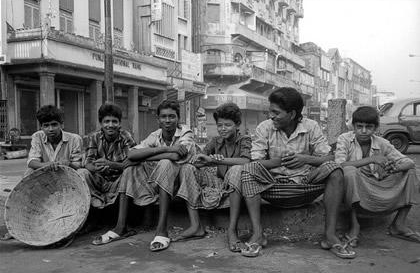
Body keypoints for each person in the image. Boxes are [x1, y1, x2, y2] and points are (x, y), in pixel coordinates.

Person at [229, 87, 355, 258]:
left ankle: (330, 236)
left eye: (276, 112)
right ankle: (258, 234)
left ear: (292, 114)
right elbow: (256, 162)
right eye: (270, 112)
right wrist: (279, 162)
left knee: (335, 170)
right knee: (248, 169)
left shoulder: (311, 126)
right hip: (273, 187)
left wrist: (305, 159)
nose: (271, 116)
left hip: (305, 185)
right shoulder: (264, 128)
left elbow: (329, 157)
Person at [92, 100, 196, 252]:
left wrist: (150, 155)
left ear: (178, 118)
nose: (167, 121)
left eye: (172, 117)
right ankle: (121, 226)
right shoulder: (155, 135)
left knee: (166, 162)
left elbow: (175, 156)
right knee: (129, 170)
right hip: (161, 181)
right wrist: (161, 151)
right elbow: (132, 154)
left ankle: (162, 230)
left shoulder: (186, 132)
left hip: (182, 183)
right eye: (163, 117)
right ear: (158, 119)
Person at [335, 106, 420, 246]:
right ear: (353, 126)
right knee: (349, 172)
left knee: (410, 171)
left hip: (376, 185)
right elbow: (340, 165)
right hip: (357, 187)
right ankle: (354, 226)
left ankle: (399, 224)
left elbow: (408, 162)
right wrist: (372, 159)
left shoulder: (382, 143)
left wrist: (392, 169)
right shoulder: (344, 139)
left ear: (375, 128)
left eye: (368, 127)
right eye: (359, 126)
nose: (363, 131)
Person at [1, 105, 83, 241]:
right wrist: (48, 165)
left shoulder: (75, 139)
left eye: (54, 124)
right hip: (45, 179)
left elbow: (79, 164)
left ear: (62, 124)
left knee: (84, 172)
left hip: (67, 179)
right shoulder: (37, 137)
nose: (50, 129)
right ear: (41, 127)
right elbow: (32, 161)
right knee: (28, 172)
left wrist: (68, 164)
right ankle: (17, 226)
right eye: (46, 125)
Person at [174, 103, 251, 245]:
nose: (222, 129)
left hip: (237, 186)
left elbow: (246, 160)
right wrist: (204, 161)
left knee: (236, 170)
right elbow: (199, 159)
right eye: (219, 125)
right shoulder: (216, 141)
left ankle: (232, 230)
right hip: (219, 183)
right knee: (187, 168)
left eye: (227, 125)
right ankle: (195, 225)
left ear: (237, 124)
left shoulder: (244, 140)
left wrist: (221, 161)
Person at [77, 103, 136, 209]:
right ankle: (96, 199)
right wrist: (96, 167)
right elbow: (88, 163)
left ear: (119, 123)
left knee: (131, 171)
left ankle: (113, 202)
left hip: (119, 181)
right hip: (100, 179)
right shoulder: (94, 137)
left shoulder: (125, 136)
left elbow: (132, 162)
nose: (110, 125)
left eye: (114, 121)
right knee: (82, 173)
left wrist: (111, 164)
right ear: (101, 123)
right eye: (106, 121)